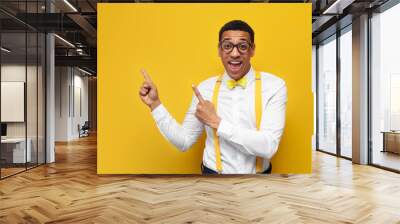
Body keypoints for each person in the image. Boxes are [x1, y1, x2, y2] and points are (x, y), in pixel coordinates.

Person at [139, 20, 287, 174]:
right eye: (227, 46)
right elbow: (183, 141)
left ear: (252, 50)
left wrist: (216, 122)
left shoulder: (274, 86)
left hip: (260, 182)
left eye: (242, 46)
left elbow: (269, 146)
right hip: (212, 177)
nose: (235, 53)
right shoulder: (205, 89)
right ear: (219, 50)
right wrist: (155, 105)